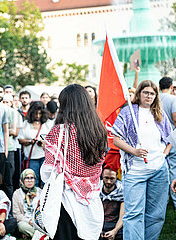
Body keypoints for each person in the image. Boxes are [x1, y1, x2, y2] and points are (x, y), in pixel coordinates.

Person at [43, 84, 107, 239]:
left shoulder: (58, 132)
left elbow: (47, 172)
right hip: (92, 197)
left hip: (64, 200)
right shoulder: (99, 130)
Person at [112, 80, 172, 239]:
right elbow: (116, 139)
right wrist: (134, 151)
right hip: (135, 171)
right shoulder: (128, 112)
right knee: (133, 214)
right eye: (146, 92)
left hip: (158, 170)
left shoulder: (159, 113)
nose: (149, 96)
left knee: (157, 214)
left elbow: (170, 138)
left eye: (152, 93)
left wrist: (164, 155)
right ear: (138, 93)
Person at [159, 77, 176, 212]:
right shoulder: (173, 99)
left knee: (161, 170)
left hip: (158, 139)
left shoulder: (156, 98)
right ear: (172, 87)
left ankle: (163, 202)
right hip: (173, 139)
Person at [18, 101, 52, 187]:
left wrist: (43, 142)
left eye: (39, 113)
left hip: (45, 157)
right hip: (31, 157)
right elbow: (20, 139)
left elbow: (52, 140)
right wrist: (30, 141)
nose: (37, 116)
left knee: (45, 181)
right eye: (35, 113)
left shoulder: (47, 124)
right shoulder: (26, 124)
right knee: (33, 182)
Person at [2, 95, 22, 200]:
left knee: (9, 179)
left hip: (10, 148)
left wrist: (2, 130)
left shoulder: (14, 113)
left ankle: (10, 203)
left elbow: (14, 131)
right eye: (3, 102)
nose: (5, 104)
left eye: (7, 102)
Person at [12, 169, 41, 239]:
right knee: (21, 226)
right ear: (22, 180)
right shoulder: (17, 193)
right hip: (25, 222)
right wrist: (29, 221)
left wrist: (36, 222)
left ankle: (34, 235)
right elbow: (16, 214)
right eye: (27, 178)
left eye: (32, 178)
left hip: (38, 221)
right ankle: (42, 236)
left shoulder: (40, 192)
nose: (30, 180)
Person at [99, 168, 124, 240]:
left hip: (115, 226)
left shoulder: (122, 191)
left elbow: (122, 216)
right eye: (106, 178)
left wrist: (114, 231)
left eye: (112, 178)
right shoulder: (96, 189)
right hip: (99, 224)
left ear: (116, 177)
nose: (109, 182)